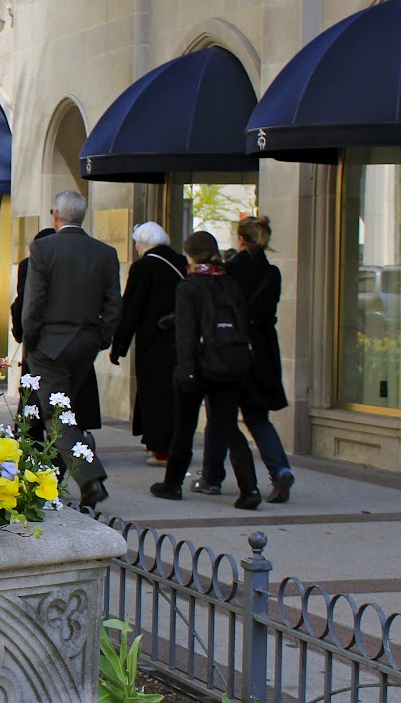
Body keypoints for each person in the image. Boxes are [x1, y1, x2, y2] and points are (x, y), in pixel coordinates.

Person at [21, 190, 121, 512]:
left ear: (56, 216)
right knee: (64, 413)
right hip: (85, 344)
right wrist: (101, 338)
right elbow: (114, 306)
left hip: (50, 345)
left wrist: (30, 339)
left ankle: (89, 479)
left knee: (57, 416)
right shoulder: (105, 253)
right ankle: (50, 477)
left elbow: (33, 301)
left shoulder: (44, 248)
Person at [150, 230, 262, 510]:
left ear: (189, 254)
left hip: (198, 365)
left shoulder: (189, 286)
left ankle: (172, 483)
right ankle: (250, 488)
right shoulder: (229, 282)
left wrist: (185, 372)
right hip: (229, 363)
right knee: (227, 426)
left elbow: (187, 334)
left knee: (185, 426)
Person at [197, 216, 294, 502]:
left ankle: (212, 478)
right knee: (257, 416)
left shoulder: (229, 271)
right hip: (263, 350)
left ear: (240, 239)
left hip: (232, 348)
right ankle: (280, 469)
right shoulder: (272, 272)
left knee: (219, 415)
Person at [11, 227, 102, 444]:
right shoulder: (77, 264)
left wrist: (24, 334)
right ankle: (71, 441)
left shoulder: (32, 264)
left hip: (43, 342)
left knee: (37, 399)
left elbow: (25, 304)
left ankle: (38, 440)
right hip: (77, 338)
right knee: (70, 397)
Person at [110, 222, 187, 466]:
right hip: (182, 339)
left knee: (155, 392)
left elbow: (131, 309)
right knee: (172, 394)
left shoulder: (144, 267)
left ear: (142, 243)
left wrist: (118, 345)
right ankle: (156, 439)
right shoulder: (183, 262)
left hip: (154, 340)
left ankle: (161, 448)